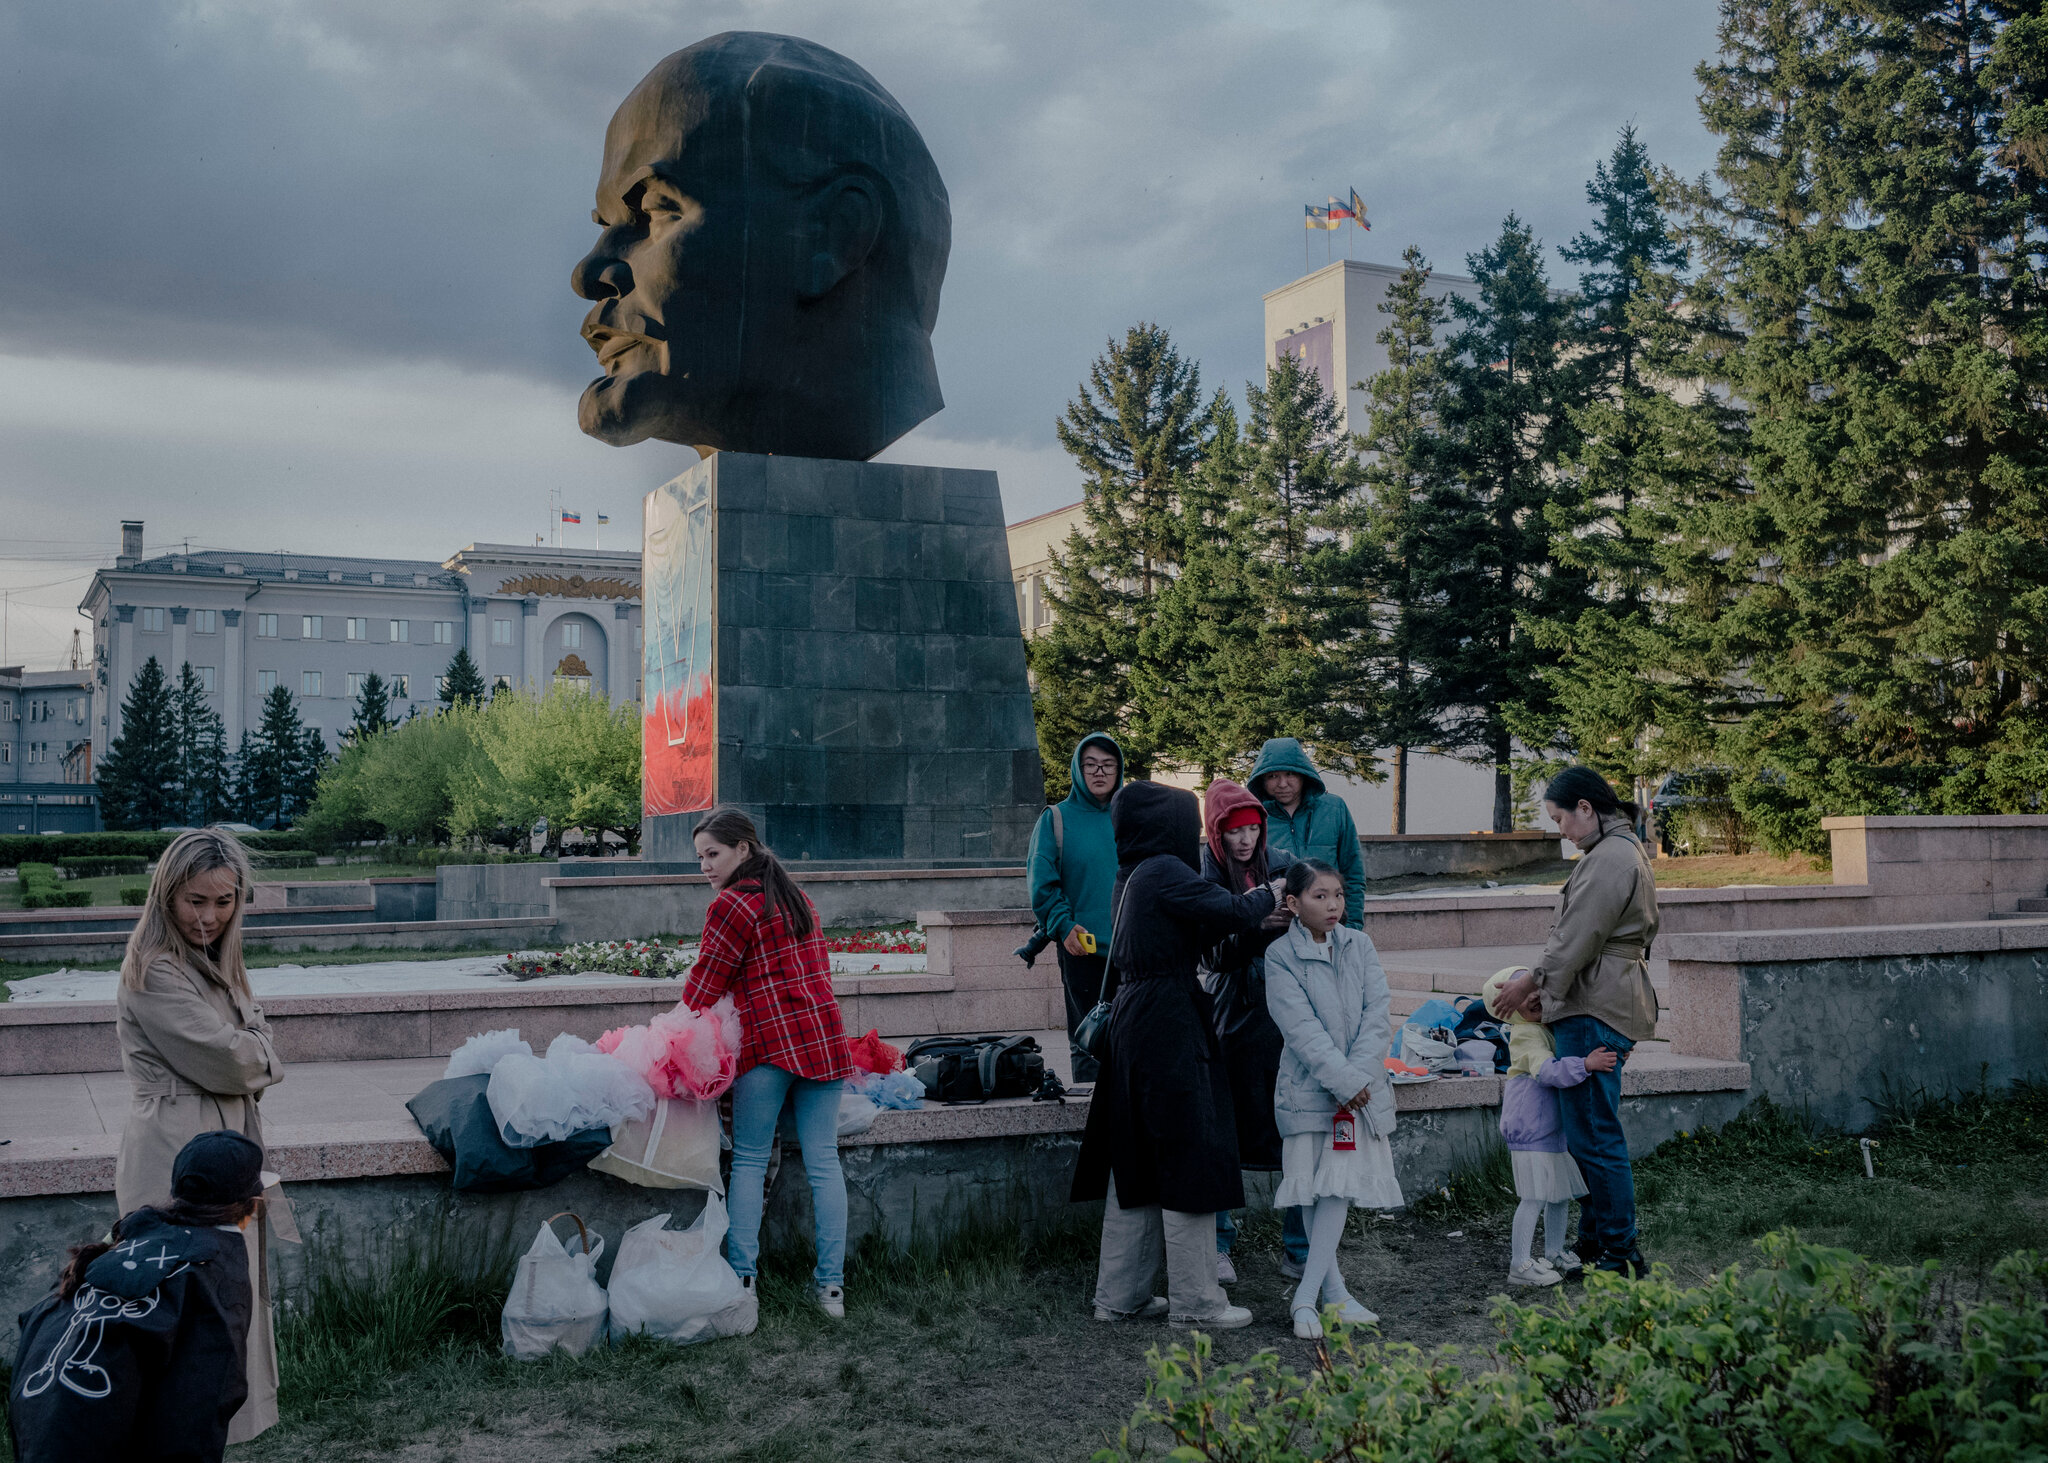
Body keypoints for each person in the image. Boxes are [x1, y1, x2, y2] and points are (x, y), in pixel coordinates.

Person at [1071, 781, 1285, 1330]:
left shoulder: (1133, 875)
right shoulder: (1164, 869)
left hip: (1136, 1020)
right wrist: (1276, 891)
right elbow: (1231, 910)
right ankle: (1197, 1303)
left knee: (1136, 1161)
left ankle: (1119, 1298)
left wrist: (1256, 930)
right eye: (1184, 822)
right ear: (1165, 826)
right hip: (1168, 1019)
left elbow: (1217, 939)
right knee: (1191, 1152)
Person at [113, 829, 283, 1443]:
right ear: (166, 896)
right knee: (177, 1295)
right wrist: (262, 1051)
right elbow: (232, 1060)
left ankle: (219, 1427)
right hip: (175, 1148)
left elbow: (246, 1044)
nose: (209, 916)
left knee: (224, 1288)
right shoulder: (156, 971)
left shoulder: (213, 964)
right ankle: (165, 1432)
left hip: (221, 1141)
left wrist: (253, 1047)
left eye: (223, 901)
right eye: (194, 901)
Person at [683, 807, 854, 1318]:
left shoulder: (733, 904)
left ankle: (742, 1281)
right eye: (699, 858)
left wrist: (672, 1025)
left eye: (713, 854)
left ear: (743, 849)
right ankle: (831, 1290)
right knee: (824, 1162)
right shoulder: (798, 898)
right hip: (823, 1040)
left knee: (751, 1160)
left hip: (769, 1045)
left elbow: (706, 985)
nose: (705, 867)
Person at [1492, 766, 1661, 1277]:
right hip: (1606, 998)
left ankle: (1620, 1252)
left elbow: (1578, 937)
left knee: (1594, 1136)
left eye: (1561, 818)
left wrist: (1532, 983)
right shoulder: (1617, 850)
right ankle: (1594, 1243)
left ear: (1587, 808)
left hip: (1596, 1006)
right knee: (1589, 1131)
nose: (1560, 830)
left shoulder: (1609, 857)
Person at [10, 1131, 266, 1463]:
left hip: (43, 1423)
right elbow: (199, 1404)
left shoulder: (135, 1237)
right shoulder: (213, 1273)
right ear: (252, 1206)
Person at [1264, 859, 1404, 1339]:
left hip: (1358, 1094)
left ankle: (1315, 1298)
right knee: (1312, 1186)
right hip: (1310, 1090)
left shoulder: (1359, 945)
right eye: (1320, 896)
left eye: (1338, 895)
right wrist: (1344, 1080)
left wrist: (1358, 1078)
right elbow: (1301, 1031)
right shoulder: (1280, 957)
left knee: (1338, 1186)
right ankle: (1329, 1296)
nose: (1332, 905)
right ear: (1293, 904)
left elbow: (1377, 1014)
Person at [1197, 779, 1310, 1285]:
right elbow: (1211, 953)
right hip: (1231, 1014)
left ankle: (1300, 1249)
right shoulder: (1205, 870)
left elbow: (1320, 914)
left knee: (1299, 1128)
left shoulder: (1284, 861)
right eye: (1233, 830)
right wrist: (1260, 927)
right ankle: (1219, 1245)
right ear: (1217, 832)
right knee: (1225, 1133)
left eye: (1251, 828)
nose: (1245, 840)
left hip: (1287, 1012)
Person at [1480, 966, 1614, 1286]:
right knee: (1535, 1198)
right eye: (1520, 995)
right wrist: (1585, 1064)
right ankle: (1520, 1264)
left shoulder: (1545, 1028)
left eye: (1531, 986)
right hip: (1531, 1131)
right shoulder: (1525, 1034)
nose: (1532, 996)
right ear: (1507, 1010)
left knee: (1558, 1196)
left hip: (1551, 1131)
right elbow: (1547, 1072)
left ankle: (1554, 1252)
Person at [1028, 733, 1123, 1083]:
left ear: (1119, 770)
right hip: (1082, 946)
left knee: (1134, 1042)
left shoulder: (1129, 816)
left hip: (1131, 948)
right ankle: (1091, 1119)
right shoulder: (1055, 818)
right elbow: (1042, 884)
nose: (1099, 772)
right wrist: (1062, 925)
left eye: (1108, 765)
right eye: (1091, 765)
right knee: (1088, 1040)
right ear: (1078, 770)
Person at [1246, 738, 1367, 928]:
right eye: (1272, 776)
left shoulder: (1334, 809)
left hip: (1331, 925)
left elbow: (1353, 872)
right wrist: (1257, 918)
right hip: (1278, 932)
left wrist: (1353, 927)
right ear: (1262, 779)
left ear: (1303, 775)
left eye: (1290, 774)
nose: (1282, 783)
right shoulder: (1254, 817)